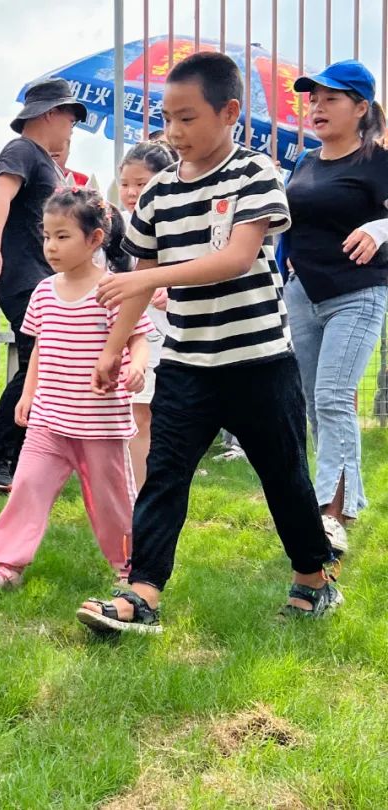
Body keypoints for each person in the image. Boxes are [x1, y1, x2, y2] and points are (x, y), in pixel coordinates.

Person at [76, 52, 340, 635]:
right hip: (188, 366)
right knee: (165, 474)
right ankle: (142, 591)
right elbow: (136, 290)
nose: (173, 133)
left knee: (284, 474)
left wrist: (144, 277)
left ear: (230, 113)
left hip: (259, 362)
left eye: (187, 118)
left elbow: (236, 258)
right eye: (167, 118)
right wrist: (112, 348)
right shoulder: (158, 194)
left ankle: (314, 580)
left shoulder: (256, 174)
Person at [0, 186, 151, 592]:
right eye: (47, 236)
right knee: (26, 487)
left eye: (62, 236)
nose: (51, 246)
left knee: (113, 503)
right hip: (49, 420)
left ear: (95, 239)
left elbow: (138, 338)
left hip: (100, 425)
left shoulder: (113, 289)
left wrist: (136, 366)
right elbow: (38, 349)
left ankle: (130, 568)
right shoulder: (44, 292)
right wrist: (29, 395)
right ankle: (7, 567)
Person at [281, 59, 388, 553]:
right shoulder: (304, 162)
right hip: (302, 294)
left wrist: (379, 227)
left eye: (331, 98)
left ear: (360, 107)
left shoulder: (378, 160)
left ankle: (330, 513)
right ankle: (345, 504)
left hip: (359, 292)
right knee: (314, 405)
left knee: (333, 396)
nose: (317, 107)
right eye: (313, 98)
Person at [0, 78, 87, 489]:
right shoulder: (20, 150)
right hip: (23, 278)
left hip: (45, 280)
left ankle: (19, 456)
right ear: (51, 113)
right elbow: (0, 196)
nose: (72, 126)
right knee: (39, 362)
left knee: (45, 364)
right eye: (70, 116)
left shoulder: (47, 161)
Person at [116, 141, 177, 489]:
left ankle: (151, 490)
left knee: (159, 413)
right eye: (125, 183)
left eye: (140, 183)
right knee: (137, 411)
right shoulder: (116, 225)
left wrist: (172, 287)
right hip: (132, 331)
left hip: (169, 329)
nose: (131, 191)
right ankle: (137, 492)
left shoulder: (176, 224)